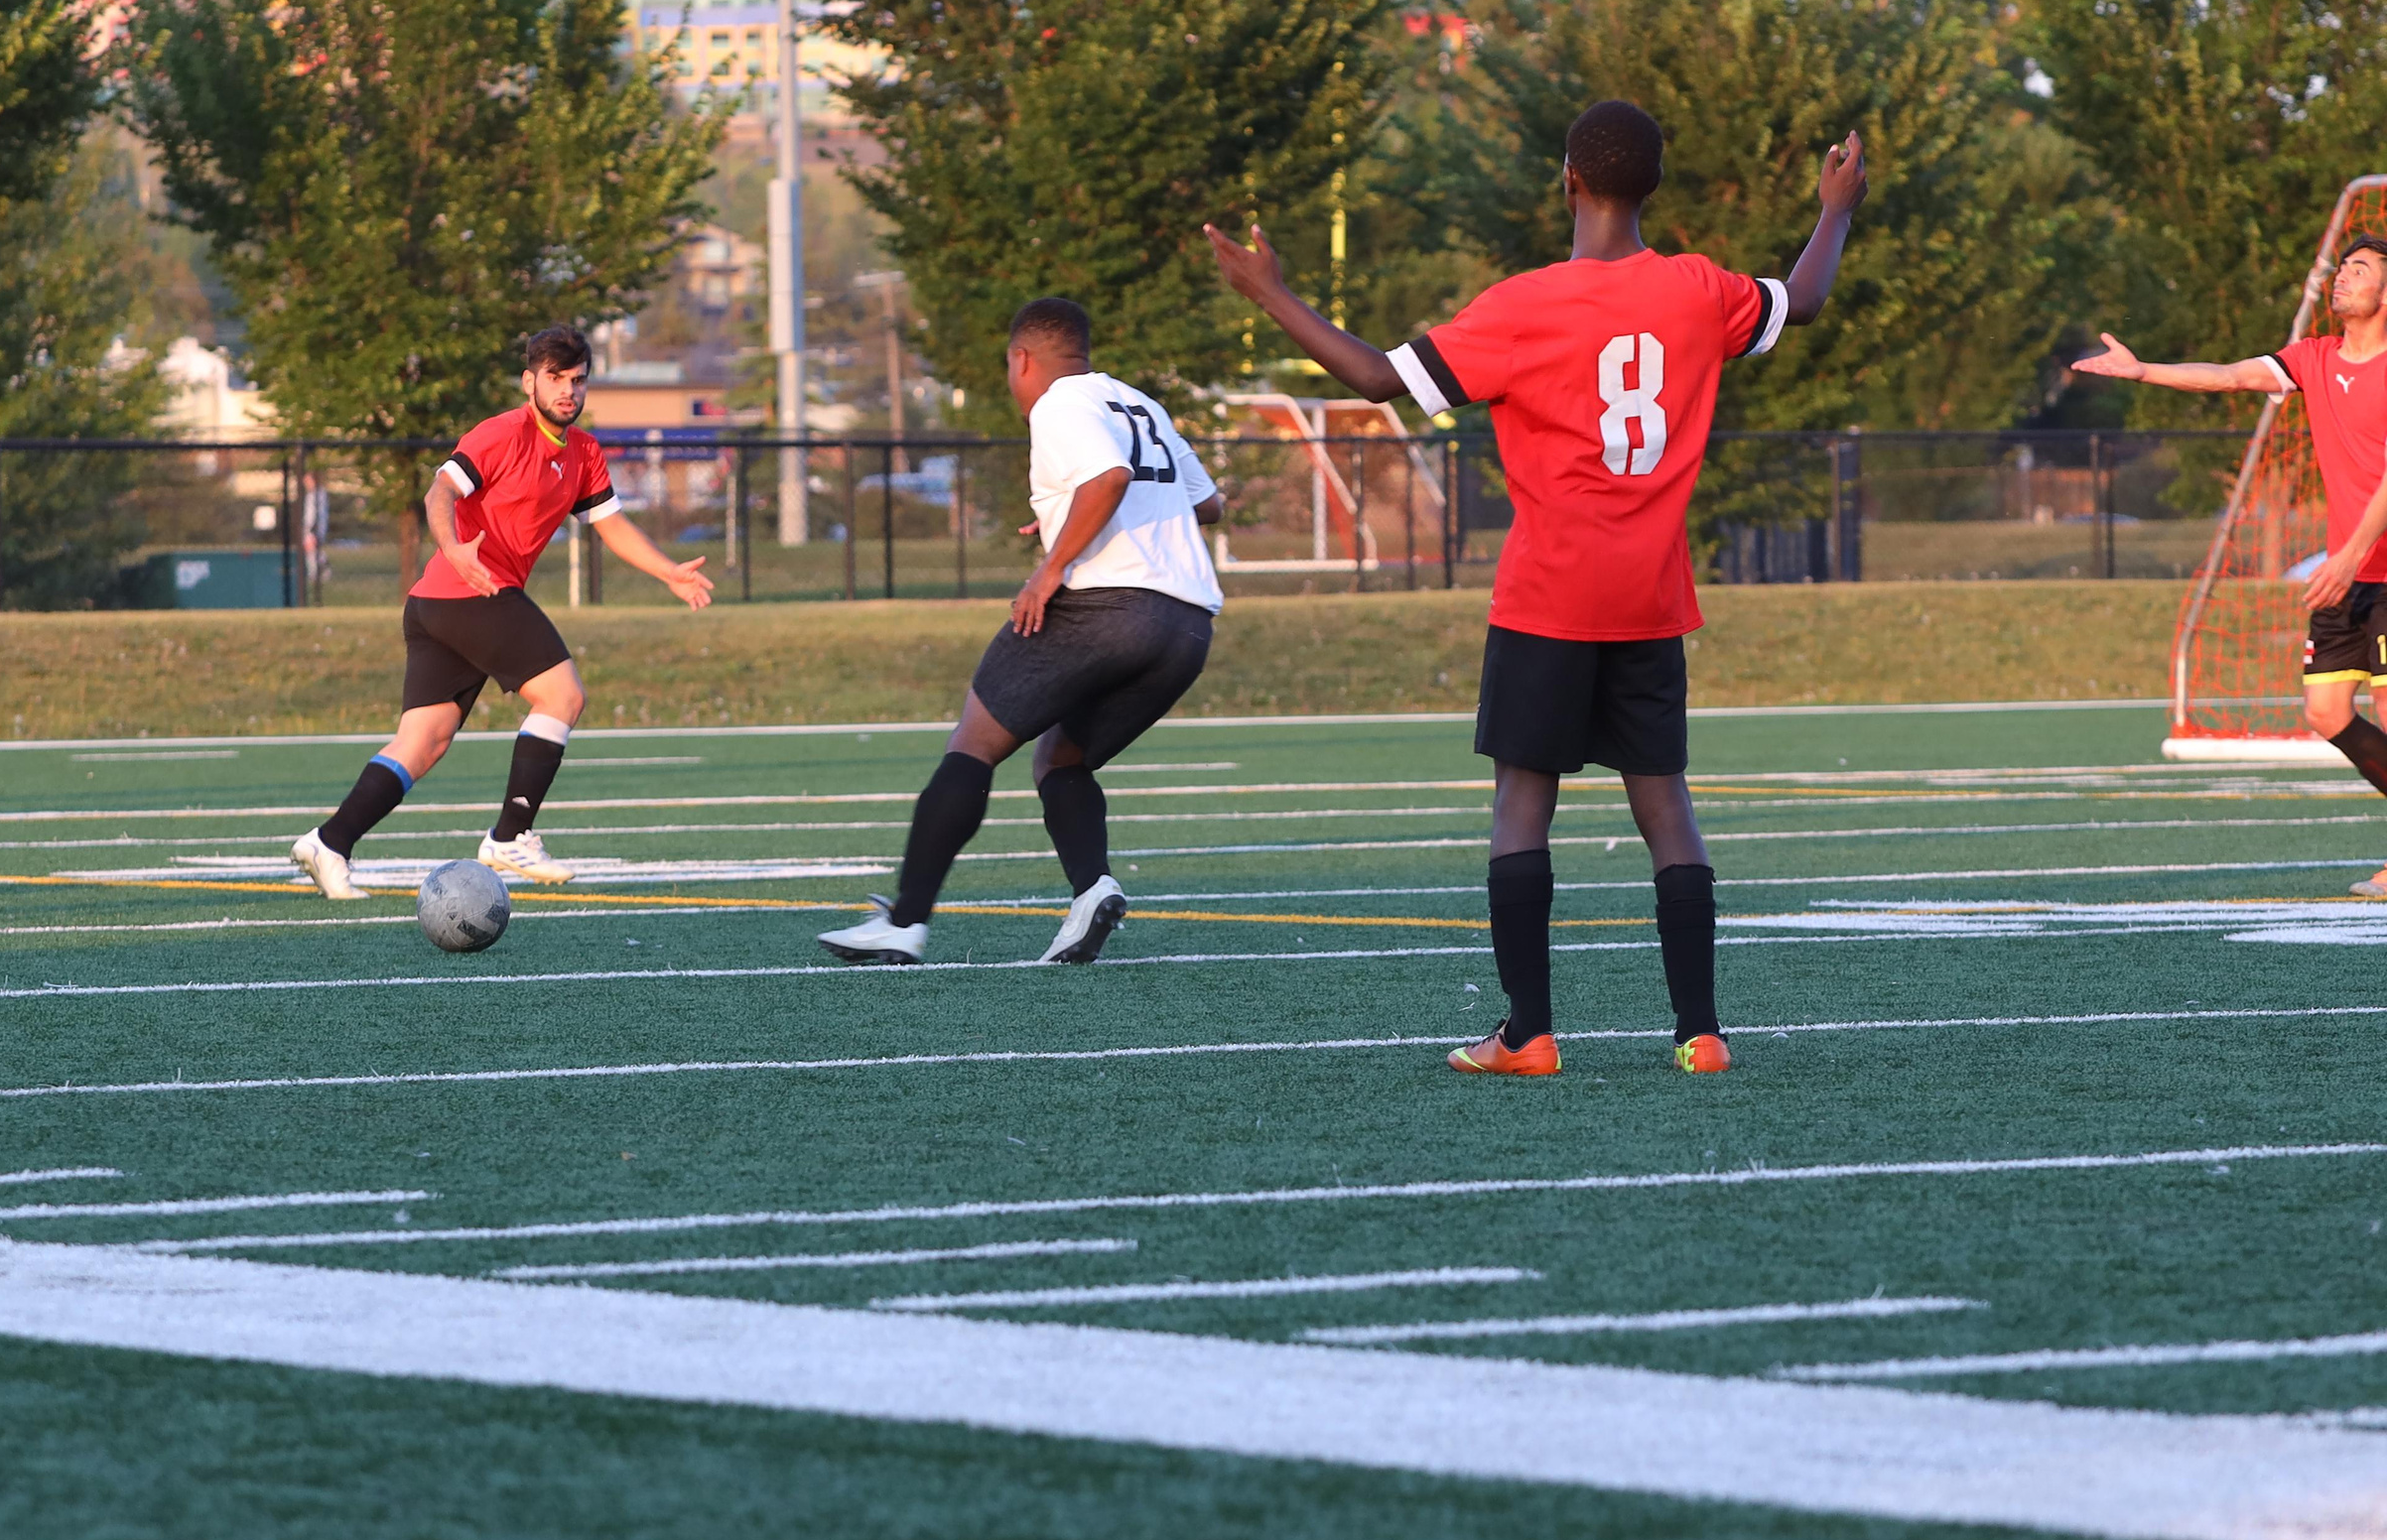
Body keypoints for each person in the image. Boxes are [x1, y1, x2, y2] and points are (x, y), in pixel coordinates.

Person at [1204, 99, 1867, 1076]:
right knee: (1666, 809)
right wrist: (1836, 208)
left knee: (1523, 804)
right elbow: (1800, 300)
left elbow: (1377, 379)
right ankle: (1701, 1032)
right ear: (1652, 187)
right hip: (1648, 599)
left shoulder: (1519, 308)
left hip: (1548, 595)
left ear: (1567, 182)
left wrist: (1270, 293)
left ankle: (1529, 1033)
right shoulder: (1696, 289)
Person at [816, 298, 1226, 964]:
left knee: (973, 743)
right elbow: (1208, 501)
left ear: (1022, 358)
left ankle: (904, 922)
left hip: (1103, 605)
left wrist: (1052, 567)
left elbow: (1111, 476)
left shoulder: (1059, 403)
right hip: (1186, 624)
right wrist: (1071, 515)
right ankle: (1093, 887)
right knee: (1060, 757)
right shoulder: (1139, 402)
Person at [289, 325, 714, 899]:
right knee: (563, 696)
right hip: (471, 591)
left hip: (441, 605)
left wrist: (668, 572)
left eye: (578, 380)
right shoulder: (501, 433)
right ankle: (510, 836)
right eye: (556, 379)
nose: (568, 390)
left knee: (424, 740)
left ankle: (329, 842)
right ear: (529, 381)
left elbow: (610, 525)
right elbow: (440, 493)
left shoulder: (585, 452)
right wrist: (452, 548)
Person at [2074, 235, 2387, 898]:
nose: (2342, 277)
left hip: (2376, 569)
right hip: (2345, 575)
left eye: (2359, 269)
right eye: (2343, 267)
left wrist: (2354, 552)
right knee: (2327, 712)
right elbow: (2228, 374)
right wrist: (2142, 371)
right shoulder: (2315, 358)